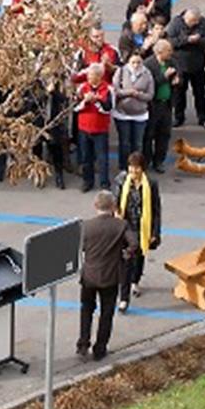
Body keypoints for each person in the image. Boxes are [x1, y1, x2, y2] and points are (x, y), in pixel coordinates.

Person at [76, 189, 137, 362]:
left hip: (89, 276)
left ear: (95, 206)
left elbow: (79, 247)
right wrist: (126, 254)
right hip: (110, 277)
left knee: (86, 309)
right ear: (114, 206)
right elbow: (134, 244)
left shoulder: (86, 226)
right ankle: (100, 348)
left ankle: (83, 343)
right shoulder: (121, 225)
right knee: (106, 312)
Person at [115, 153, 160, 312]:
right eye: (131, 167)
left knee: (139, 257)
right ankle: (124, 298)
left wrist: (155, 231)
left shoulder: (151, 184)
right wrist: (116, 213)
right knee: (126, 261)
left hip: (143, 226)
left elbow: (155, 209)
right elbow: (116, 200)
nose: (133, 171)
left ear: (142, 168)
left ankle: (136, 281)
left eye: (136, 168)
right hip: (126, 227)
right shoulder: (121, 180)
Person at [165, 7, 205, 129]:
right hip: (180, 65)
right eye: (192, 21)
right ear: (185, 18)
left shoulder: (202, 23)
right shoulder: (176, 23)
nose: (194, 23)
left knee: (200, 93)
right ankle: (179, 117)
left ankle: (203, 118)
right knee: (179, 93)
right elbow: (170, 42)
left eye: (196, 21)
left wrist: (199, 40)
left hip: (198, 65)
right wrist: (186, 40)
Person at [111, 53, 154, 173]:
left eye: (138, 62)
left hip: (140, 115)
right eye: (133, 62)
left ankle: (137, 166)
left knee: (138, 144)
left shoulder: (147, 74)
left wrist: (138, 95)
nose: (136, 65)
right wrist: (129, 92)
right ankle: (124, 167)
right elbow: (116, 90)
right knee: (124, 142)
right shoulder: (121, 72)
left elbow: (150, 95)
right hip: (123, 114)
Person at [75, 63, 113, 192]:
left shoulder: (108, 89)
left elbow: (108, 108)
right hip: (84, 128)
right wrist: (85, 101)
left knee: (102, 158)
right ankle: (87, 181)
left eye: (92, 75)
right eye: (88, 75)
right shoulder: (82, 88)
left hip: (100, 129)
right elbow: (75, 107)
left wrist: (97, 101)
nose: (89, 77)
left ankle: (104, 182)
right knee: (86, 157)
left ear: (99, 76)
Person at [142, 40, 177, 174]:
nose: (171, 53)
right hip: (153, 105)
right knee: (149, 134)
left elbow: (179, 72)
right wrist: (164, 77)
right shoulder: (149, 65)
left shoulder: (171, 62)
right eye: (168, 51)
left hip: (166, 104)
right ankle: (146, 160)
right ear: (159, 52)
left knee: (164, 134)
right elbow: (148, 84)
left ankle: (159, 161)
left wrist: (177, 79)